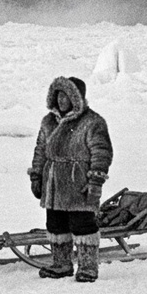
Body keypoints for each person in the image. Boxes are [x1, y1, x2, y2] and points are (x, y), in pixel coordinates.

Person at [28, 76, 112, 282]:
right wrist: (37, 176)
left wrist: (95, 181)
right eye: (58, 96)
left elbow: (102, 152)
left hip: (78, 183)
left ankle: (88, 267)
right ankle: (61, 264)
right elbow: (40, 150)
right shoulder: (48, 121)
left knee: (83, 225)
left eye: (66, 96)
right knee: (56, 224)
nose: (61, 100)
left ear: (76, 98)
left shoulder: (92, 122)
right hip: (53, 183)